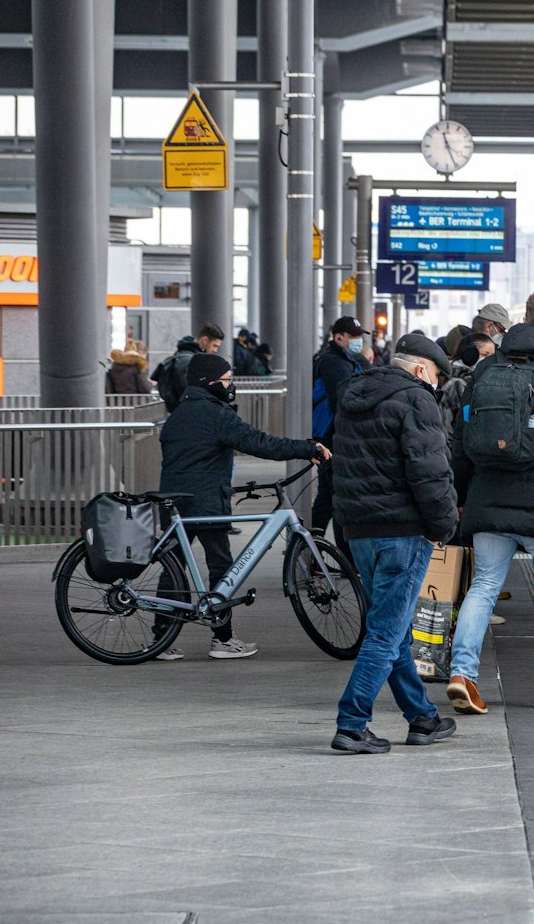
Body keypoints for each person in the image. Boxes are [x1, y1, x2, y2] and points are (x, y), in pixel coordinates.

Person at [445, 291, 534, 714]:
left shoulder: (488, 366)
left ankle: (463, 676)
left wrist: (459, 493)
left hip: (490, 496)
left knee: (484, 586)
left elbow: (462, 438)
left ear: (523, 320)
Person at [327, 334, 460, 754]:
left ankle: (422, 718)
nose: (437, 384)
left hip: (360, 530)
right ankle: (352, 723)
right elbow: (430, 472)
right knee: (385, 632)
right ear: (422, 369)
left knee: (394, 627)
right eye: (437, 375)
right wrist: (444, 525)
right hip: (403, 532)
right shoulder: (417, 401)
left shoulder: (353, 397)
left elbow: (343, 466)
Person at [156, 353, 329, 660]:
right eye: (226, 380)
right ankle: (222, 638)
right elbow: (259, 443)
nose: (230, 385)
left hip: (175, 502)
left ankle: (161, 638)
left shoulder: (178, 414)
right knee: (222, 568)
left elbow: (191, 459)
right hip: (206, 503)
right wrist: (306, 448)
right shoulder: (216, 414)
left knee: (173, 568)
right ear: (209, 383)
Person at [310, 317, 368, 535]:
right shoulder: (334, 362)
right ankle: (343, 558)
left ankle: (312, 551)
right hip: (333, 436)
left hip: (331, 435)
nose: (358, 341)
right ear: (339, 337)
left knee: (327, 496)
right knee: (340, 498)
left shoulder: (342, 359)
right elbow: (344, 400)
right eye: (354, 337)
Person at [151, 323, 225, 410]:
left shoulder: (182, 356)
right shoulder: (189, 362)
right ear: (204, 340)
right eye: (214, 345)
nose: (215, 350)